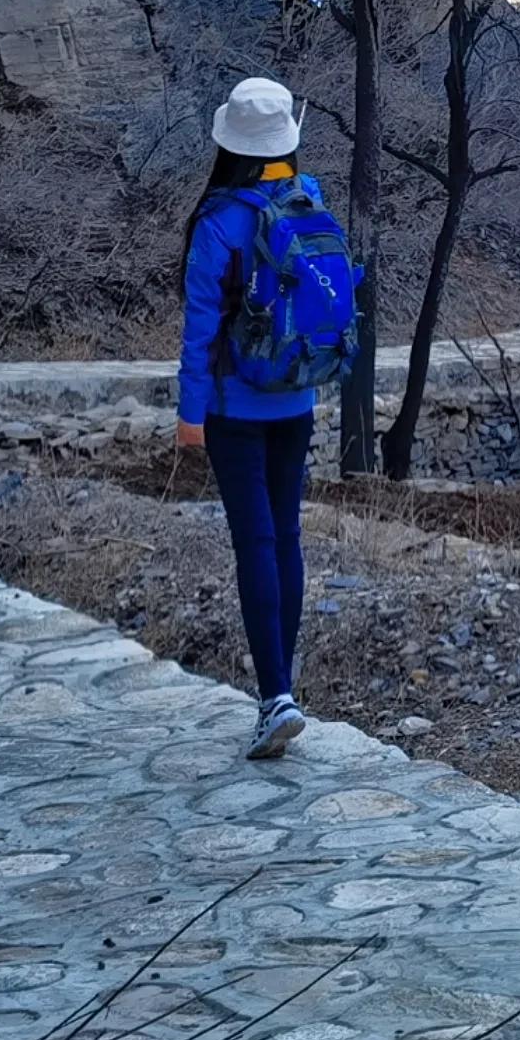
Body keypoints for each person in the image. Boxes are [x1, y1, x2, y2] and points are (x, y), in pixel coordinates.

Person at [177, 75, 335, 759]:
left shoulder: (216, 223)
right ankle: (284, 685)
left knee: (255, 543)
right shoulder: (310, 200)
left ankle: (275, 695)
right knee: (287, 536)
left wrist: (189, 416)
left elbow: (199, 330)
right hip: (297, 396)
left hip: (234, 408)